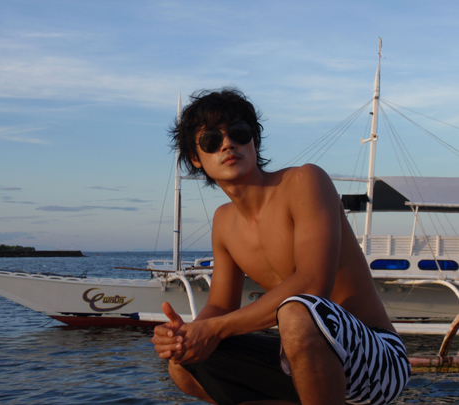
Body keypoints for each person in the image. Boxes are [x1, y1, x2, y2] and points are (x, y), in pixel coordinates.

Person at [152, 88, 410, 405]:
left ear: (254, 141)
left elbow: (312, 284)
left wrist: (215, 330)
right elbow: (219, 307)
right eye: (211, 140)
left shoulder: (304, 181)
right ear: (195, 158)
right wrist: (183, 337)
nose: (227, 144)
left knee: (297, 312)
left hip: (379, 364)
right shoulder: (224, 222)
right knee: (184, 365)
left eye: (238, 133)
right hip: (305, 362)